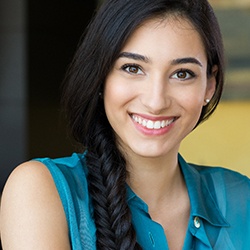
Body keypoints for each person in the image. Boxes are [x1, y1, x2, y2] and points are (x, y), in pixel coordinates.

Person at [1, 0, 250, 249]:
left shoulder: (242, 199)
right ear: (101, 77)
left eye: (182, 73)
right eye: (132, 68)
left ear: (210, 85)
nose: (156, 101)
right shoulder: (41, 190)